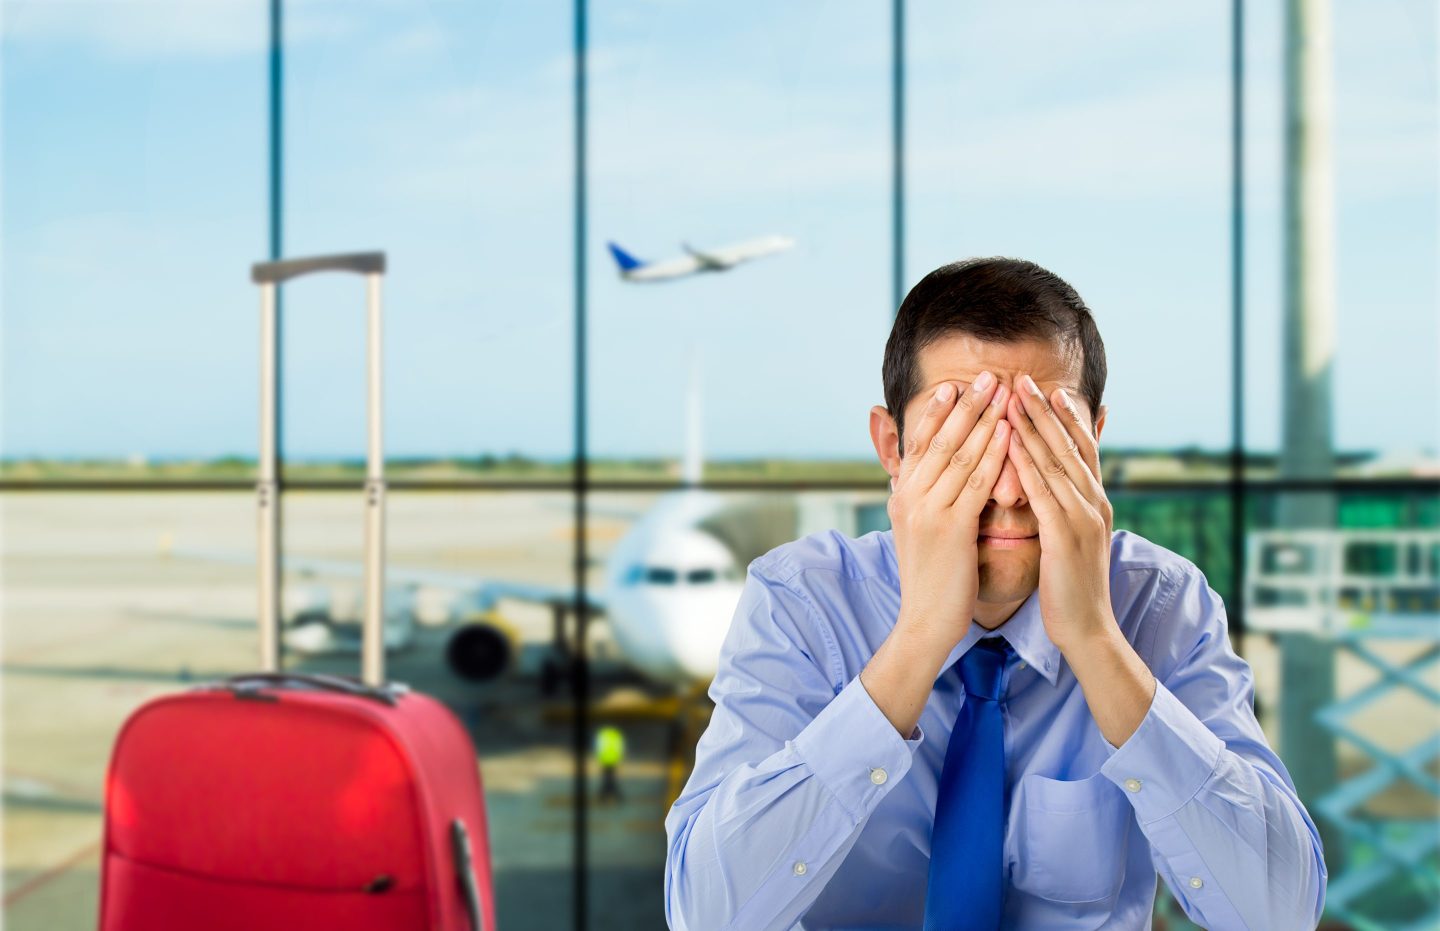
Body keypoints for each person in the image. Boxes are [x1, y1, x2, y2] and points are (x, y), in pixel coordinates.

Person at [663, 258, 1327, 930]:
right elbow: (705, 913)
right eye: (967, 437)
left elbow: (1280, 913)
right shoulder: (802, 602)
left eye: (1043, 438)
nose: (1008, 491)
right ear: (893, 445)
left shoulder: (1162, 606)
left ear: (1092, 443)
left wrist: (1098, 642)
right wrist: (917, 640)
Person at [595, 724, 626, 805]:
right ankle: (610, 797)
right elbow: (620, 747)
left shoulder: (603, 734)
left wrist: (599, 759)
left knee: (608, 780)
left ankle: (604, 797)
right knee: (610, 780)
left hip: (605, 760)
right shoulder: (616, 734)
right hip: (613, 760)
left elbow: (599, 747)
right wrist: (620, 759)